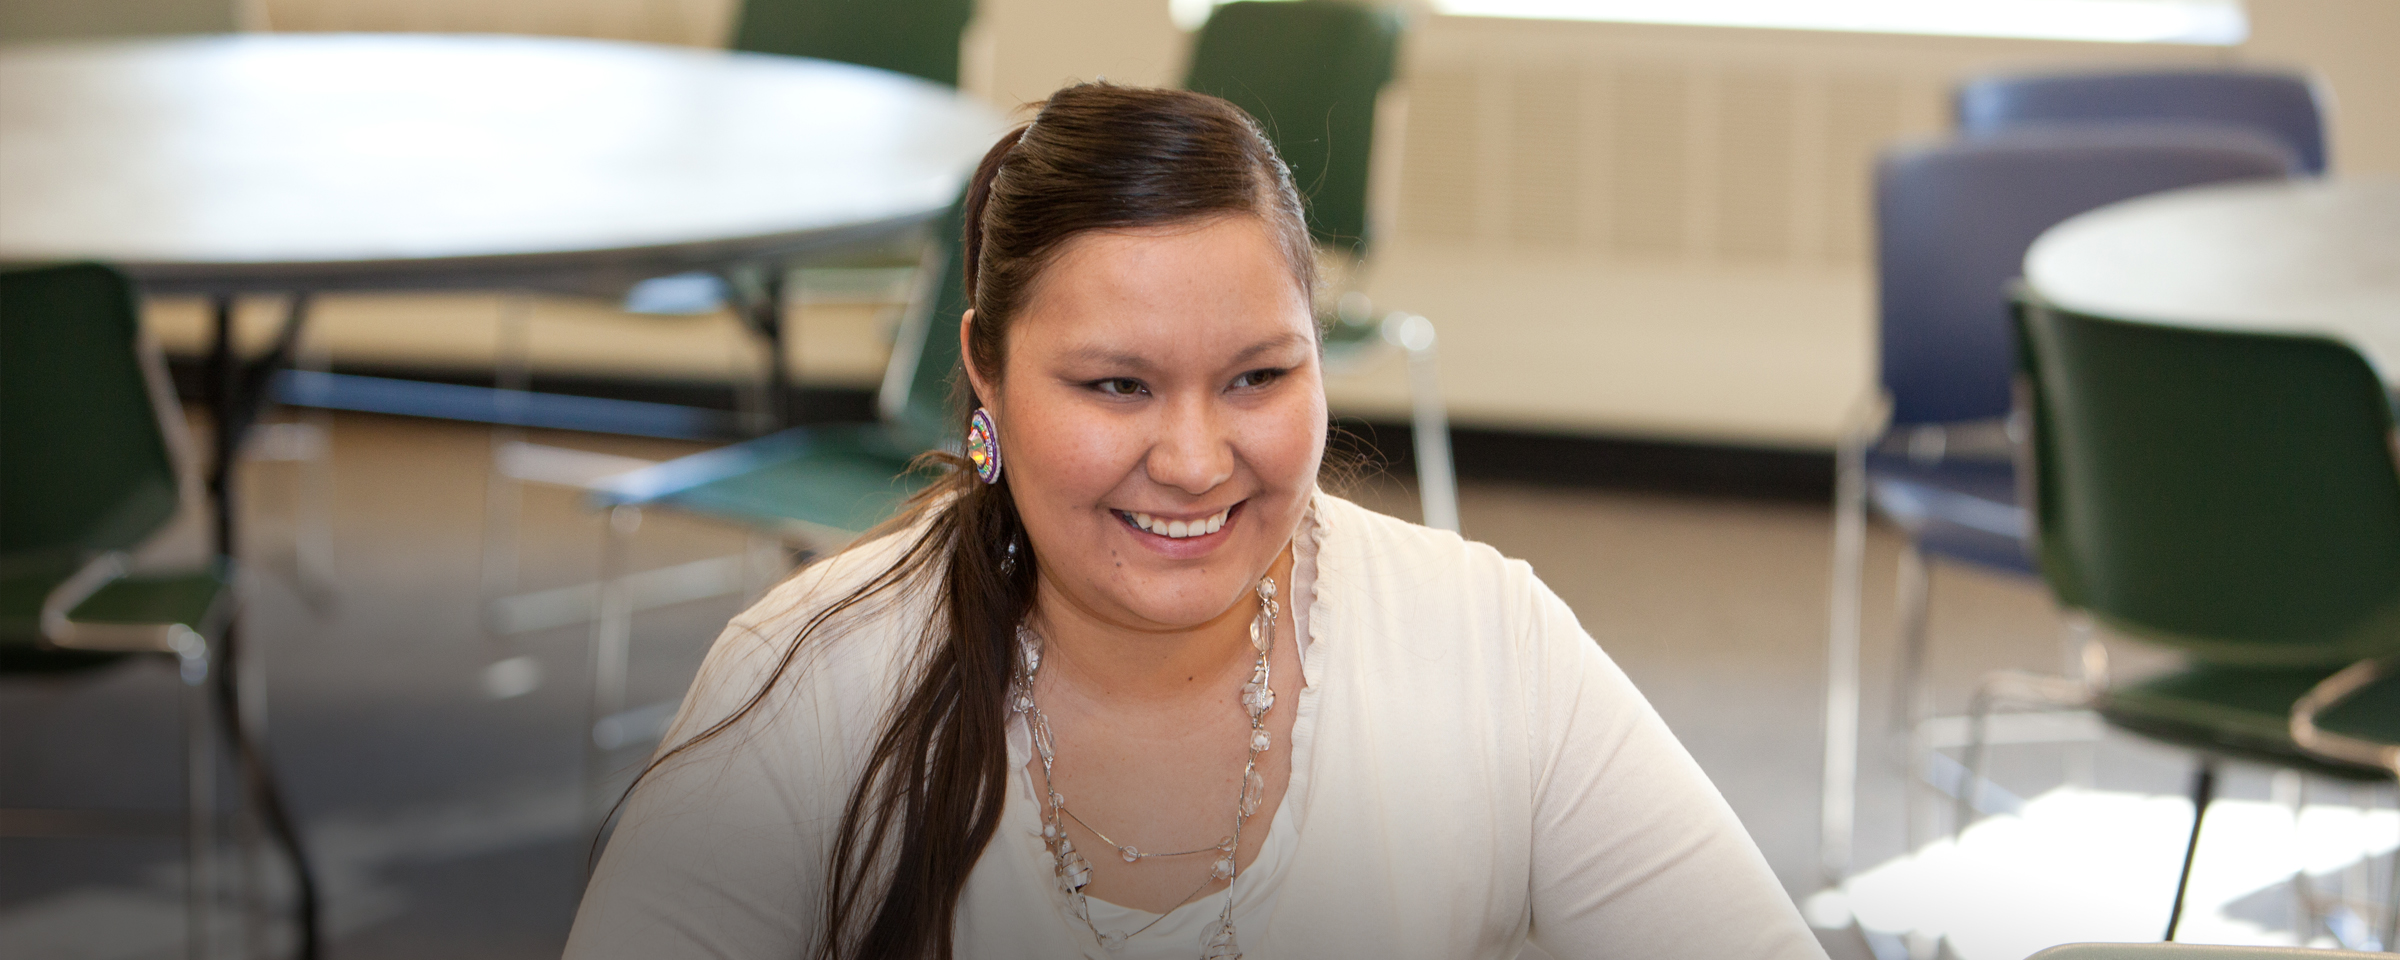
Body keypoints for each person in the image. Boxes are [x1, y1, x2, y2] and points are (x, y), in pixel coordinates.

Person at [564, 82, 1826, 960]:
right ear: (986, 376)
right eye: (1116, 385)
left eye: (1259, 378)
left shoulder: (1487, 646)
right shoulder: (812, 680)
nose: (1194, 458)